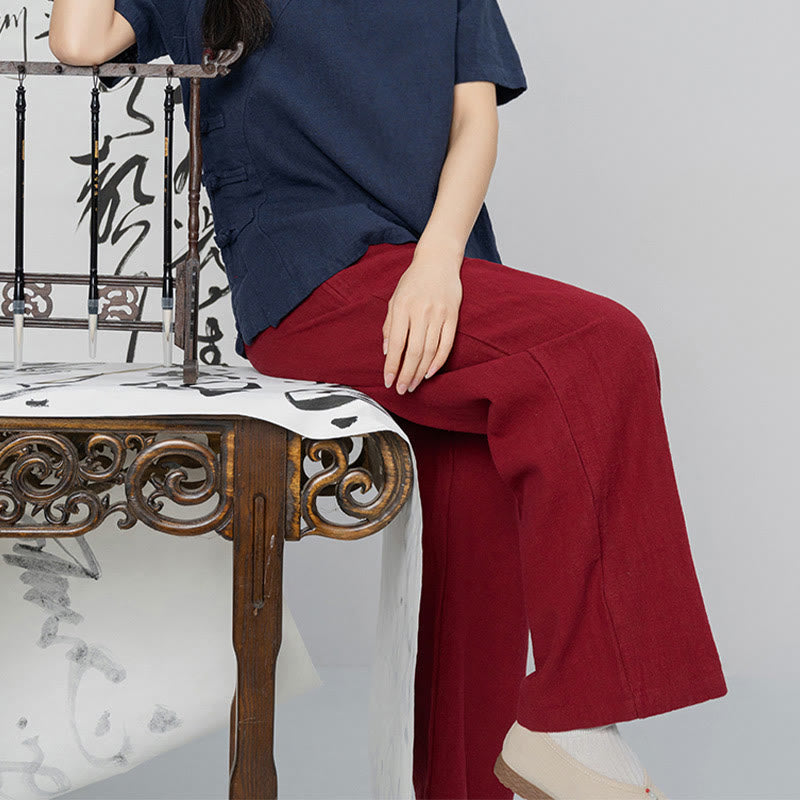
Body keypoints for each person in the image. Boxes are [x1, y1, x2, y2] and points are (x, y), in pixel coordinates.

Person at [49, 1, 728, 797]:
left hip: (439, 274)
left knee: (479, 517)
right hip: (312, 273)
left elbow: (473, 120)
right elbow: (79, 40)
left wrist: (438, 261)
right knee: (601, 348)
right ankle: (573, 717)